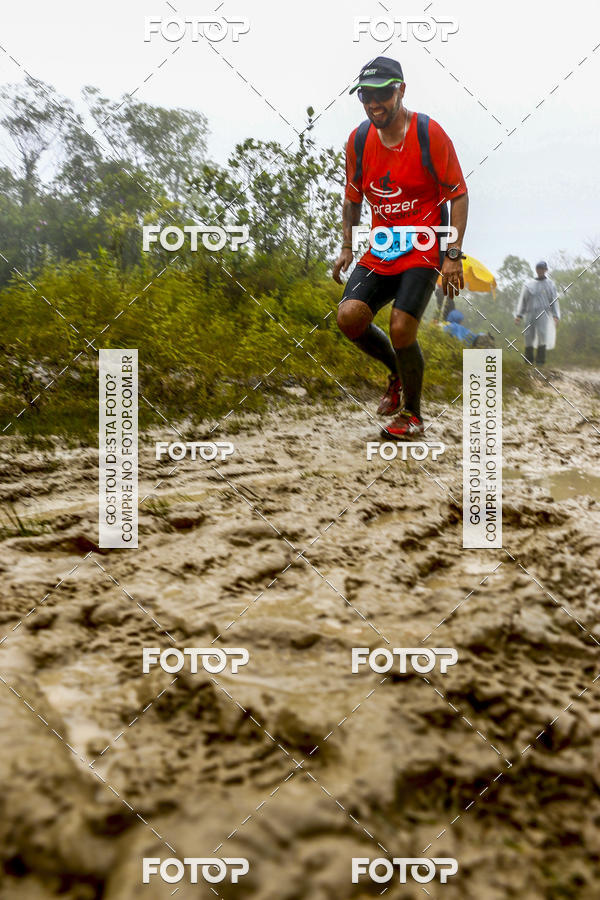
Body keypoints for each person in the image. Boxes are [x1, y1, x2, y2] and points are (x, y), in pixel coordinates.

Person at [332, 56, 469, 438]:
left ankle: (413, 415)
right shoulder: (359, 140)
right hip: (383, 245)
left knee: (401, 328)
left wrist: (453, 256)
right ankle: (396, 372)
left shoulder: (429, 133)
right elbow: (353, 197)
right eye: (365, 96)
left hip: (425, 243)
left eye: (382, 94)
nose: (374, 103)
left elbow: (458, 196)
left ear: (401, 91)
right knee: (350, 317)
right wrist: (346, 245)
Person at [515, 261, 560, 366]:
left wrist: (556, 316)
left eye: (542, 268)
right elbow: (523, 300)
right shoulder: (528, 284)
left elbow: (554, 300)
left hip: (543, 313)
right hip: (530, 312)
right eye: (538, 268)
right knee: (528, 335)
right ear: (536, 269)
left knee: (542, 335)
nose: (540, 270)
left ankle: (540, 362)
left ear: (546, 270)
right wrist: (519, 315)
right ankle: (528, 361)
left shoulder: (550, 284)